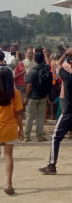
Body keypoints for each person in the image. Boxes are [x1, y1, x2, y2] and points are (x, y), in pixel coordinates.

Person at [39, 49, 72, 175]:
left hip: (68, 112)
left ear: (71, 65)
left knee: (56, 138)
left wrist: (66, 54)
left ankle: (52, 165)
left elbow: (57, 64)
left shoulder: (68, 78)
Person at [0, 67, 24, 195]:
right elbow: (19, 113)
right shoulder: (15, 93)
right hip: (10, 127)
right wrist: (21, 129)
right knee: (8, 156)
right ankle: (8, 184)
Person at [23, 51, 51, 142]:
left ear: (35, 60)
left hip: (32, 96)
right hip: (42, 96)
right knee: (40, 116)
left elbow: (29, 86)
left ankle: (27, 137)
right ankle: (39, 136)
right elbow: (48, 63)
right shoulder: (46, 69)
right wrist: (45, 54)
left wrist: (26, 97)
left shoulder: (32, 71)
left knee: (30, 116)